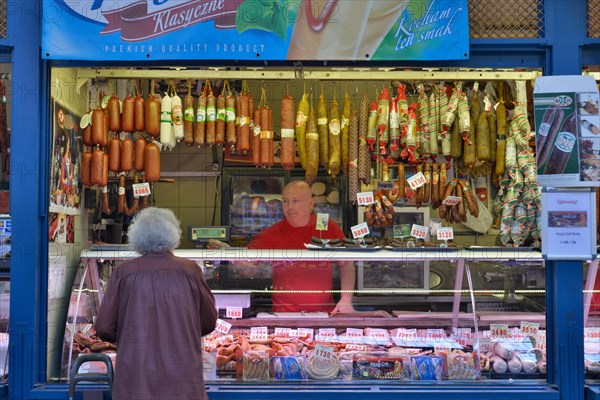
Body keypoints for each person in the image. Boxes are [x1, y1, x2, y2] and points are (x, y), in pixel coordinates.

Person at [95, 207, 217, 400]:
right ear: (173, 235)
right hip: (182, 380)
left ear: (136, 236)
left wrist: (131, 337)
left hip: (135, 379)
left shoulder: (123, 272)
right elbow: (209, 322)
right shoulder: (191, 271)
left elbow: (104, 328)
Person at [214, 180, 356, 314]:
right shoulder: (272, 233)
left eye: (295, 201)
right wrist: (231, 256)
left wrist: (346, 299)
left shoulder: (328, 226)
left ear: (310, 204)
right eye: (286, 202)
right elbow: (248, 268)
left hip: (324, 313)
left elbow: (347, 264)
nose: (290, 207)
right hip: (284, 315)